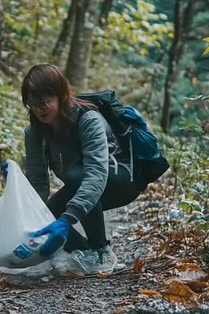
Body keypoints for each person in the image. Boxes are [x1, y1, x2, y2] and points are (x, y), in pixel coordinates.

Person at [13, 64, 148, 273]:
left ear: (61, 95)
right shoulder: (34, 132)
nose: (41, 108)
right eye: (33, 103)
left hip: (120, 182)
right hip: (81, 181)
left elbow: (95, 175)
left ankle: (102, 250)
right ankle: (84, 251)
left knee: (78, 180)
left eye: (46, 100)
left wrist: (67, 220)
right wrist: (32, 219)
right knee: (45, 218)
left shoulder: (88, 120)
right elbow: (38, 180)